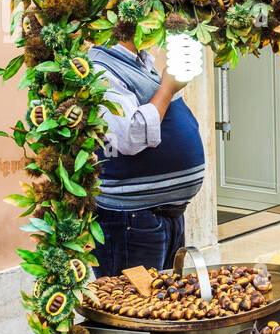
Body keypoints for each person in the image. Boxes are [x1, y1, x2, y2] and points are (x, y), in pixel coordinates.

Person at [88, 30, 205, 278]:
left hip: (160, 217)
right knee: (133, 306)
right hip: (130, 222)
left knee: (164, 307)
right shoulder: (99, 68)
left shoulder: (139, 63)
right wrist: (167, 88)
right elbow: (130, 136)